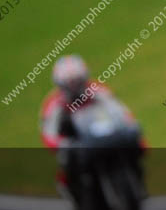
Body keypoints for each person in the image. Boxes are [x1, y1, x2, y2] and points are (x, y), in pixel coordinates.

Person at [40, 55, 144, 206]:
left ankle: (135, 181)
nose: (74, 87)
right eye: (69, 83)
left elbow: (119, 111)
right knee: (68, 164)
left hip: (105, 136)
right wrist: (64, 144)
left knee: (132, 142)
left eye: (77, 81)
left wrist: (130, 125)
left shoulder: (97, 89)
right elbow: (49, 133)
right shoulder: (54, 103)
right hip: (78, 145)